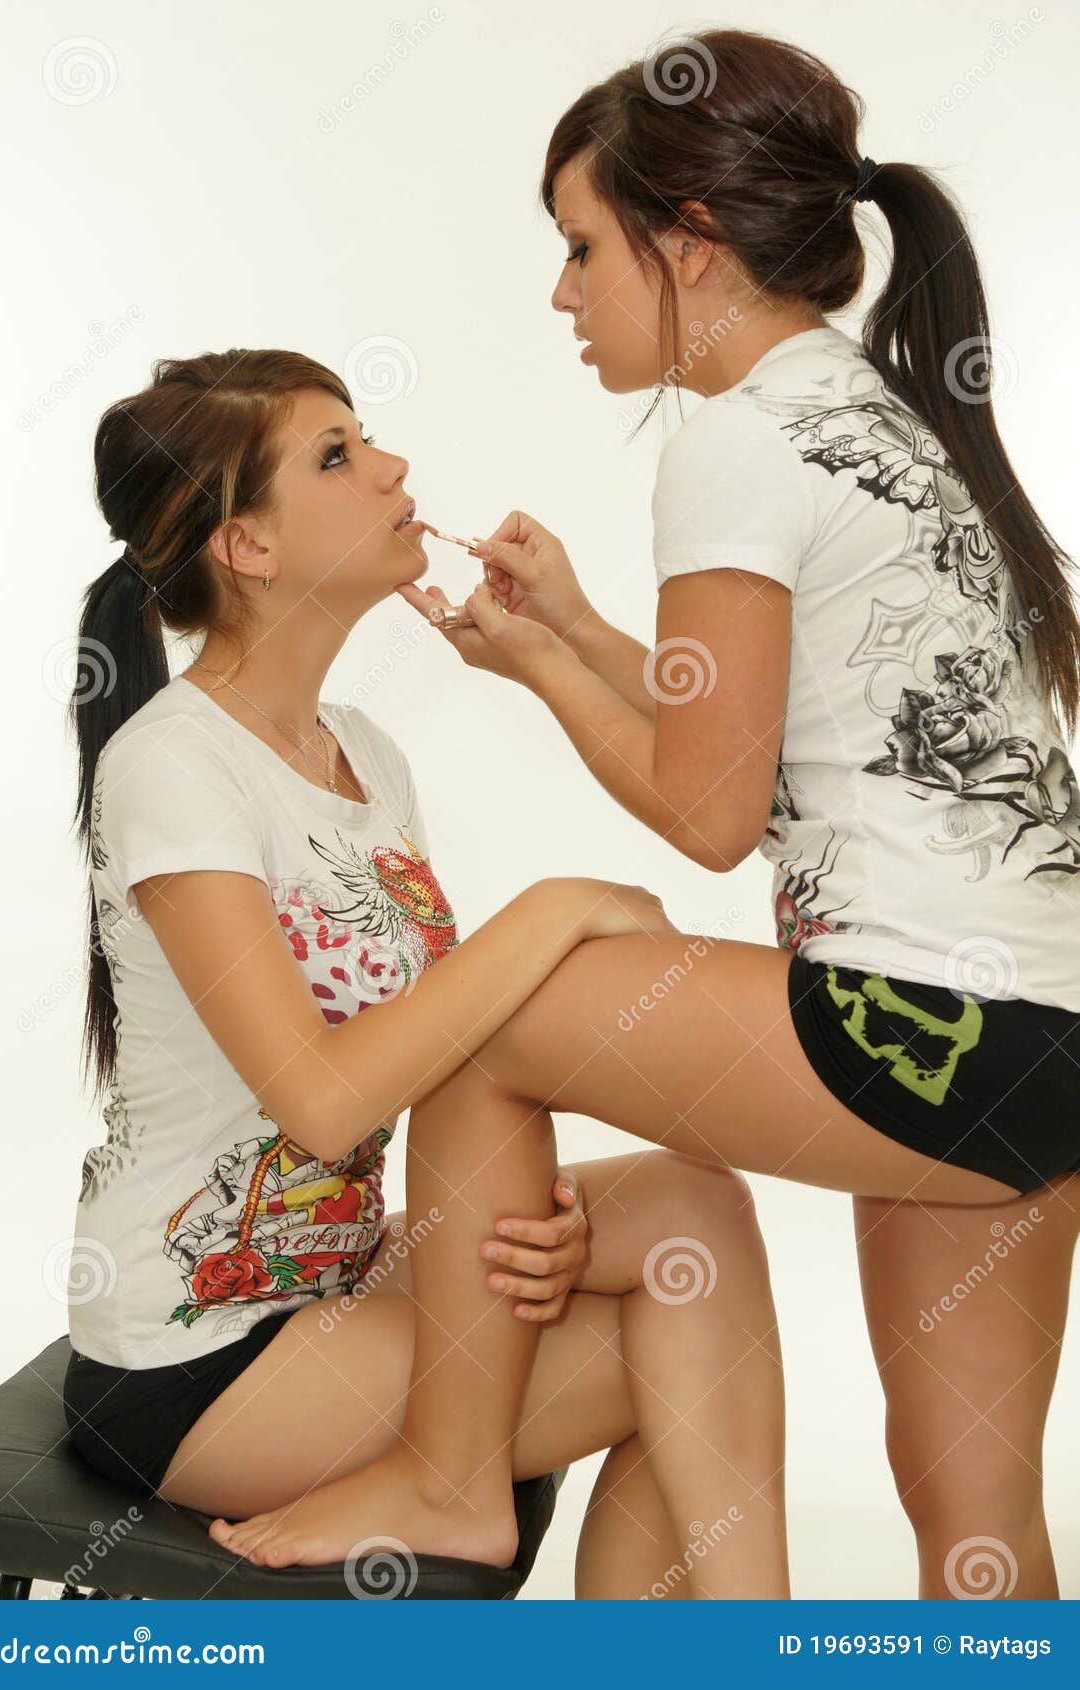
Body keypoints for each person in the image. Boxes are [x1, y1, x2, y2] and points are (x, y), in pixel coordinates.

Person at [216, 28, 1080, 1598]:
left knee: (483, 1020)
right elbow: (789, 727)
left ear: (687, 249)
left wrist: (545, 682)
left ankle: (450, 1471)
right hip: (1040, 1045)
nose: (561, 293)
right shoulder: (870, 412)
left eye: (578, 247)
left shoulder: (735, 438)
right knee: (975, 1534)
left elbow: (706, 808)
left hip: (917, 1020)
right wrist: (570, 633)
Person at [63, 348, 788, 1601]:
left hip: (341, 1266)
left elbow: (443, 1063)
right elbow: (326, 1101)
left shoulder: (366, 755)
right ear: (246, 546)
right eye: (337, 456)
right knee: (687, 1358)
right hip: (199, 1351)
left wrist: (523, 1231)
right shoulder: (173, 766)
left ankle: (729, 1652)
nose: (393, 468)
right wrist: (556, 908)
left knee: (690, 1210)